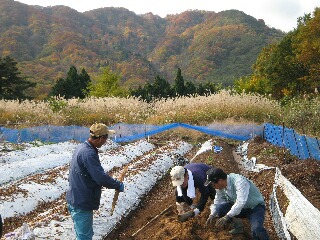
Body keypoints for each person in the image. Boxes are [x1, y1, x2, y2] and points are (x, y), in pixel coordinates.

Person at [66, 123, 124, 240]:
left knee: (83, 234)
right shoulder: (88, 153)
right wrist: (117, 185)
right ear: (101, 138)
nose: (106, 141)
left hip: (77, 196)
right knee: (84, 237)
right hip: (82, 199)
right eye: (106, 138)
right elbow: (100, 177)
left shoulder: (82, 148)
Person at [205, 167, 269, 239]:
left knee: (257, 230)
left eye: (212, 184)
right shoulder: (220, 187)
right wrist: (212, 214)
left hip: (255, 208)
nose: (213, 187)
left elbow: (240, 202)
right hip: (240, 209)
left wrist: (227, 216)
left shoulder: (239, 181)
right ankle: (238, 227)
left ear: (220, 181)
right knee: (220, 209)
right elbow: (217, 201)